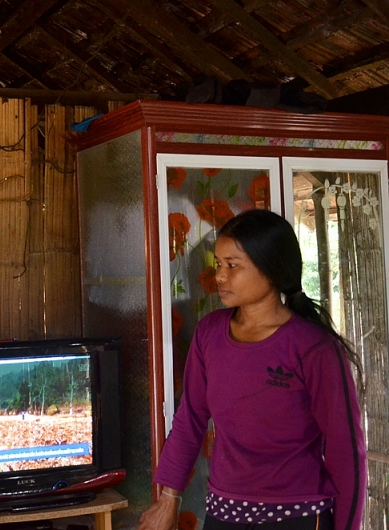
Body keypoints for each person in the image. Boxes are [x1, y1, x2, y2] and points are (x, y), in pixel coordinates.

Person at [138, 209, 366, 530]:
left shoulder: (314, 348)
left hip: (297, 516)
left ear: (271, 269)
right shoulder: (209, 334)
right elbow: (190, 420)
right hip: (224, 513)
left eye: (233, 265)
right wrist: (169, 497)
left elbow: (347, 453)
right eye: (218, 263)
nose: (219, 276)